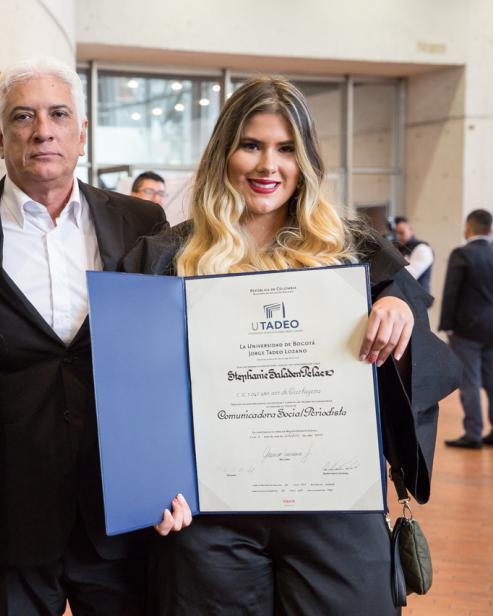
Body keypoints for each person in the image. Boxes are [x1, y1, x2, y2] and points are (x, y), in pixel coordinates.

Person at [123, 77, 458, 614]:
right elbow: (132, 385)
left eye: (285, 149)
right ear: (223, 153)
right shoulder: (168, 257)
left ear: (306, 161)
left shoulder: (353, 252)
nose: (268, 166)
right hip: (211, 515)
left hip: (334, 507)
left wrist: (399, 310)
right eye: (251, 145)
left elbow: (415, 349)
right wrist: (151, 487)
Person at [0, 57, 171, 615]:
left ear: (81, 133)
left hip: (120, 509)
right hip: (7, 511)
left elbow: (166, 355)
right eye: (24, 116)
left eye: (59, 114)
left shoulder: (143, 223)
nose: (43, 130)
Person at [439, 209, 493, 449]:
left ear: (468, 228)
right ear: (489, 229)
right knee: (491, 380)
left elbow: (451, 292)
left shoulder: (462, 254)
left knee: (470, 381)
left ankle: (473, 434)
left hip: (467, 330)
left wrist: (447, 325)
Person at [394, 216, 434, 296]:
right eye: (396, 234)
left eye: (401, 233)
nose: (398, 237)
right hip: (404, 297)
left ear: (411, 230)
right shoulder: (399, 249)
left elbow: (408, 276)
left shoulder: (422, 248)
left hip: (418, 299)